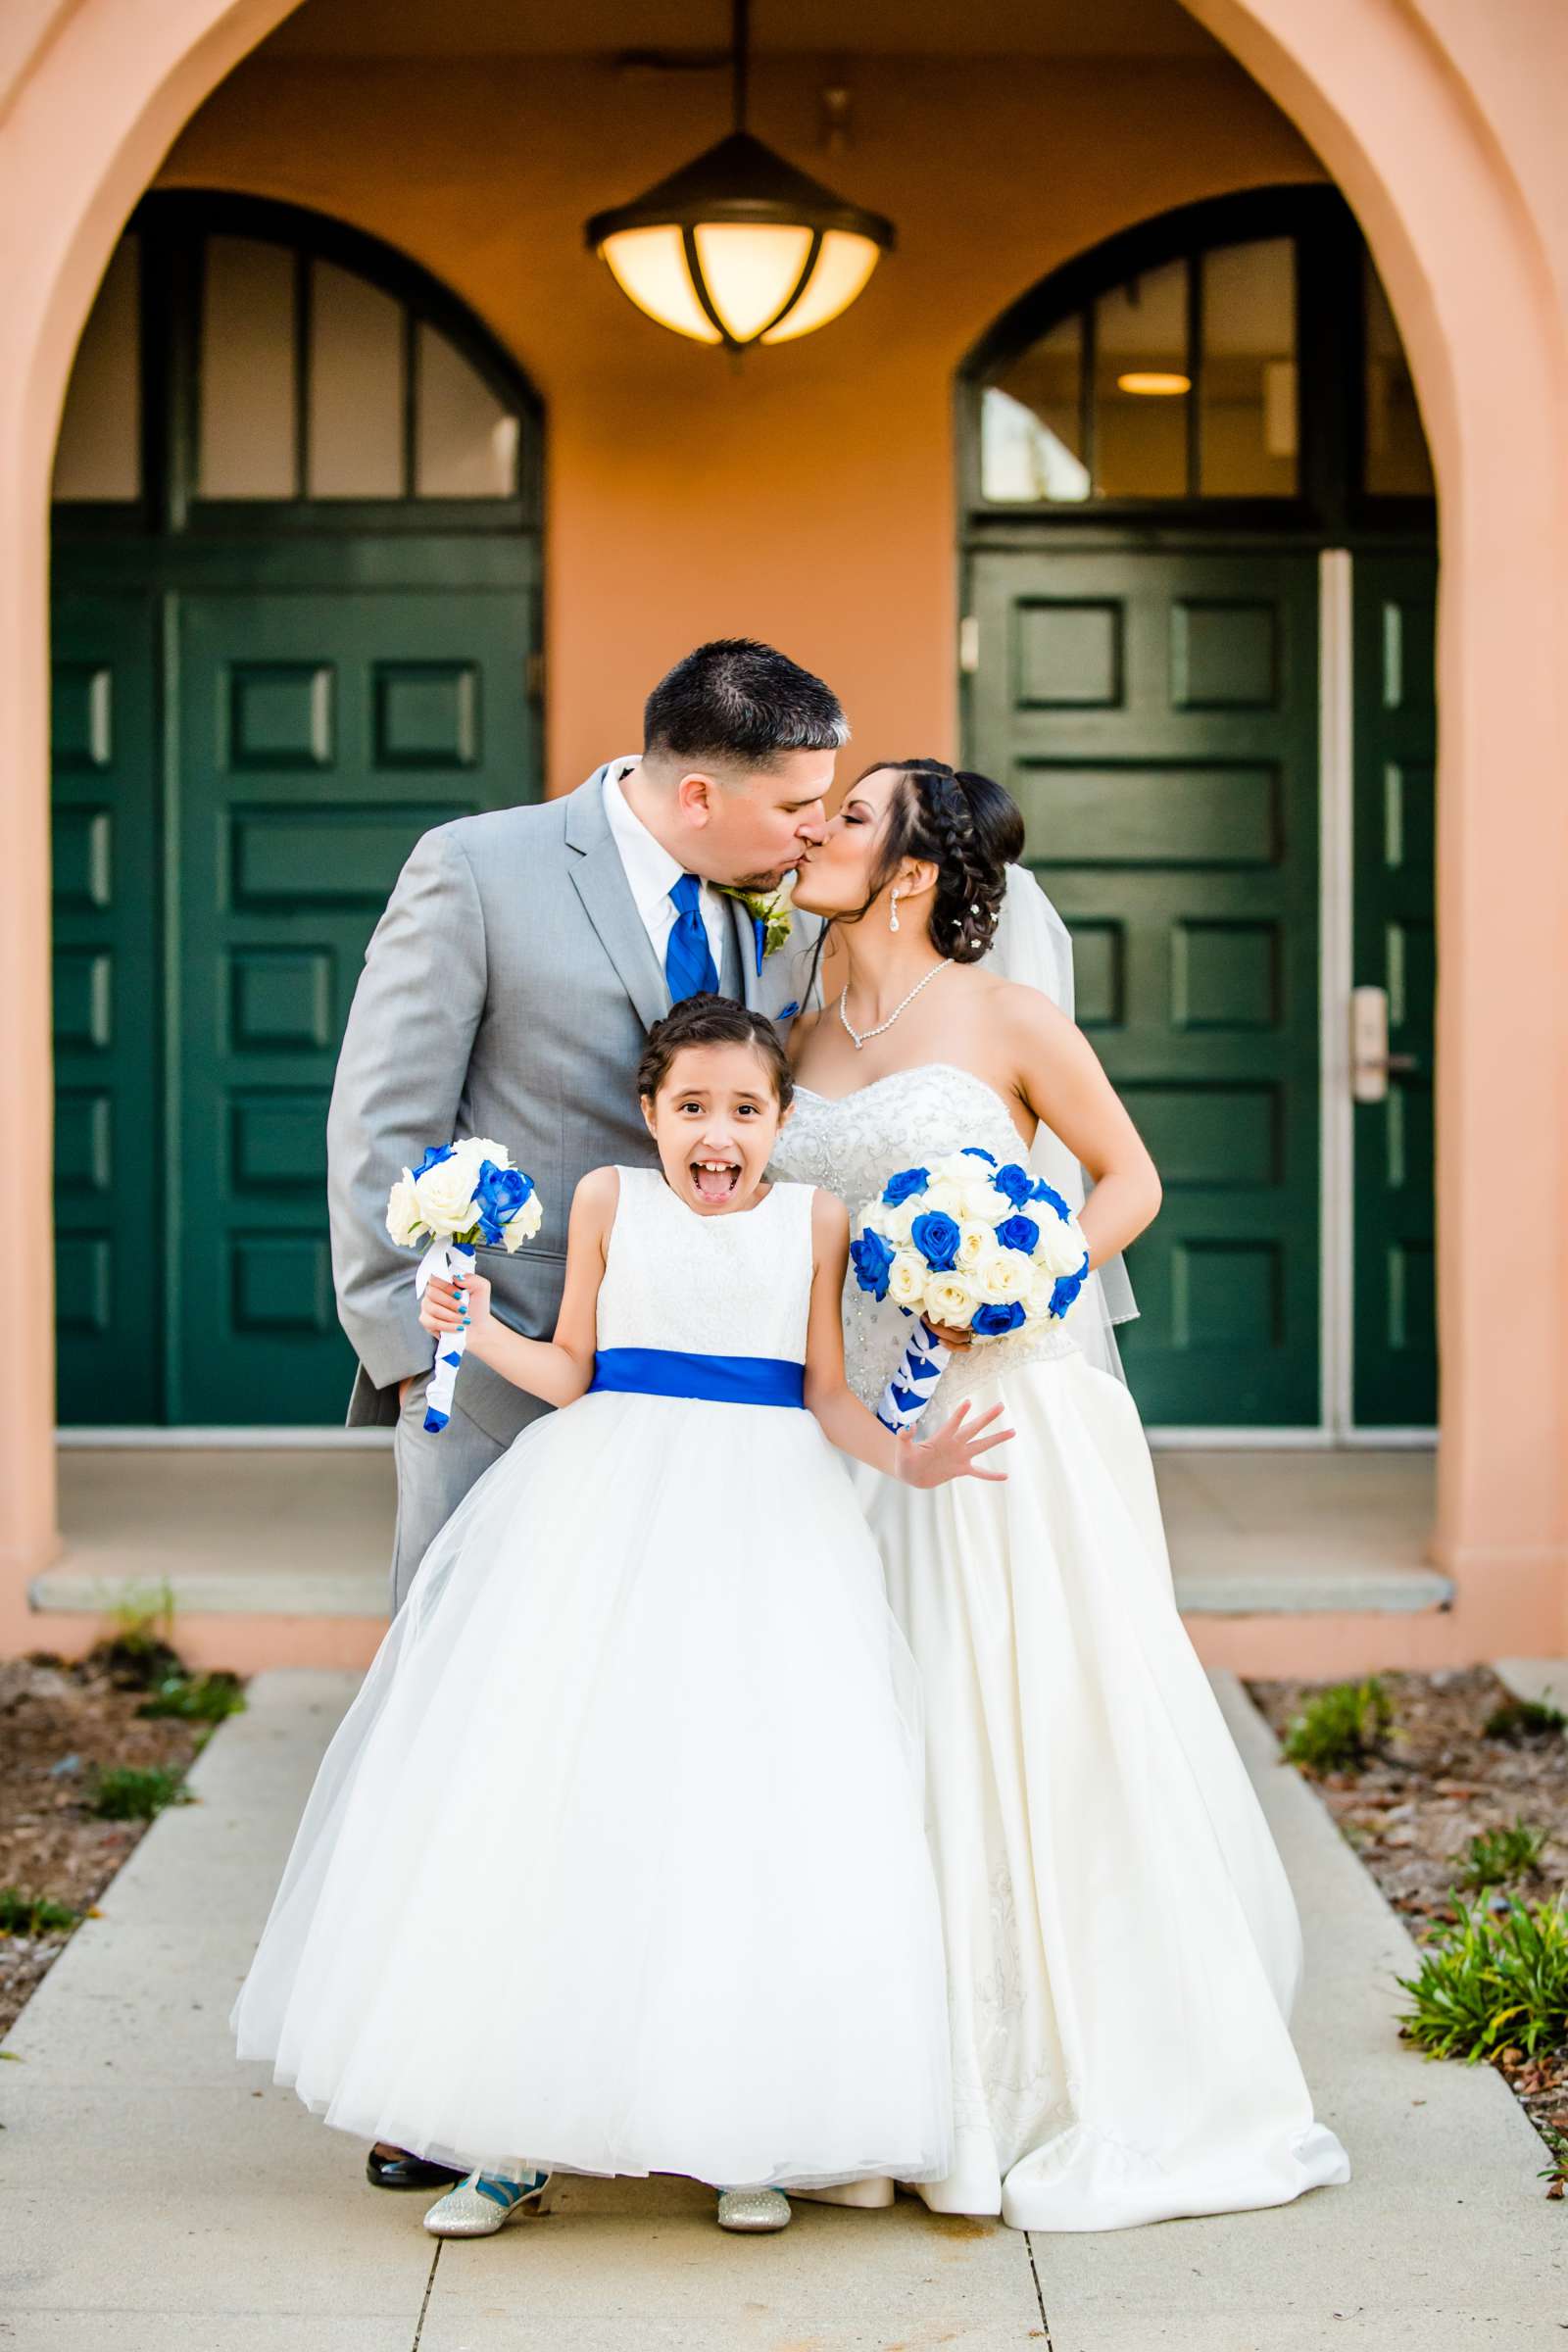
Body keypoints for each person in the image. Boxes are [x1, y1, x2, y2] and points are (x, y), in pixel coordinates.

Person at [234, 998, 1012, 2238]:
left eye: (745, 1111)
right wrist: (478, 1322)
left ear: (781, 1123)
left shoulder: (815, 1223)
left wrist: (908, 1457)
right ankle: (512, 2136)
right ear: (650, 1113)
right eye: (691, 1107)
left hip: (768, 1523)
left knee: (750, 1805)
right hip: (604, 1503)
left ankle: (741, 2130)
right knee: (568, 1795)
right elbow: (572, 1368)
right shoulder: (609, 1199)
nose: (718, 1135)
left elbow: (824, 1390)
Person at [770, 759, 1351, 2231]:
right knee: (869, 1733)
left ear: (910, 870)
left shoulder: (1009, 1018)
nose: (816, 829)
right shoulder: (794, 1029)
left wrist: (1028, 1274)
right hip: (842, 1434)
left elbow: (1128, 1179)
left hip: (998, 1421)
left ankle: (1029, 2080)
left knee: (1011, 1725)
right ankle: (873, 2080)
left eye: (848, 816)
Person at [325, 637, 840, 2192]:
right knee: (470, 1719)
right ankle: (432, 2084)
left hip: (718, 1394)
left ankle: (640, 2054)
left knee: (674, 1727)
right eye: (796, 810)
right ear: (699, 793)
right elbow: (385, 1115)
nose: (815, 835)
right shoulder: (477, 870)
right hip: (505, 1368)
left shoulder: (781, 913)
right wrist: (412, 1348)